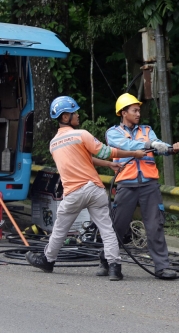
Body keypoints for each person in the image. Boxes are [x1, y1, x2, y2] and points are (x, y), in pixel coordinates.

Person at [26, 96, 146, 281]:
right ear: (65, 117)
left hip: (73, 193)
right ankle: (115, 268)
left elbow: (81, 158)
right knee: (107, 229)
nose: (78, 115)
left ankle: (47, 260)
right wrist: (133, 153)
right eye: (75, 112)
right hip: (94, 189)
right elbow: (107, 151)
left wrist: (108, 166)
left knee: (59, 230)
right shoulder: (81, 135)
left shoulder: (53, 145)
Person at [98, 93, 179, 279]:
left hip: (149, 184)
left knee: (155, 225)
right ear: (123, 113)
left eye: (139, 110)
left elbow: (159, 145)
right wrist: (150, 144)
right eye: (134, 110)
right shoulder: (113, 132)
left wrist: (171, 148)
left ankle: (162, 267)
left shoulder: (147, 129)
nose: (138, 114)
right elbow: (127, 145)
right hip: (126, 184)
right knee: (118, 225)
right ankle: (106, 260)